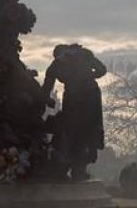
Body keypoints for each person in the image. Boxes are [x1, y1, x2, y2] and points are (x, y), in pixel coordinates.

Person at [42, 44, 107, 181]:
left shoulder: (55, 65)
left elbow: (46, 87)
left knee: (70, 132)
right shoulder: (85, 54)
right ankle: (79, 170)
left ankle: (63, 166)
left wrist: (46, 100)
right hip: (91, 95)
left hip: (73, 97)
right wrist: (89, 76)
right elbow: (102, 70)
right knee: (88, 131)